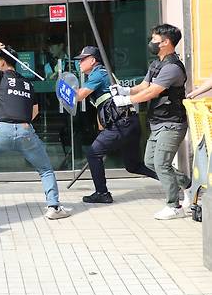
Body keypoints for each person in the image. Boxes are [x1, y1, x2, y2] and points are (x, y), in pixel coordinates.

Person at [0, 41, 71, 220]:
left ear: (1, 61)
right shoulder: (27, 83)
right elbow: (35, 111)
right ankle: (53, 207)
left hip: (2, 131)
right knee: (45, 169)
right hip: (26, 130)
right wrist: (21, 125)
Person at [111, 24, 191, 220]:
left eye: (155, 39)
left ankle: (174, 206)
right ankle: (189, 185)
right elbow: (144, 86)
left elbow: (152, 92)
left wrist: (126, 101)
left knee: (161, 164)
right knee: (150, 162)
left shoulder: (172, 67)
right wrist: (125, 90)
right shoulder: (157, 64)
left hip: (171, 123)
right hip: (157, 122)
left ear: (166, 42)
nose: (151, 43)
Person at [73, 46, 158, 204]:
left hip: (121, 124)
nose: (79, 63)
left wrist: (63, 89)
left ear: (93, 61)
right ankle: (174, 180)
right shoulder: (105, 74)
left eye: (82, 60)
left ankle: (102, 193)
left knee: (93, 153)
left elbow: (79, 96)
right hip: (129, 122)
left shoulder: (98, 74)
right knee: (133, 166)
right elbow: (104, 104)